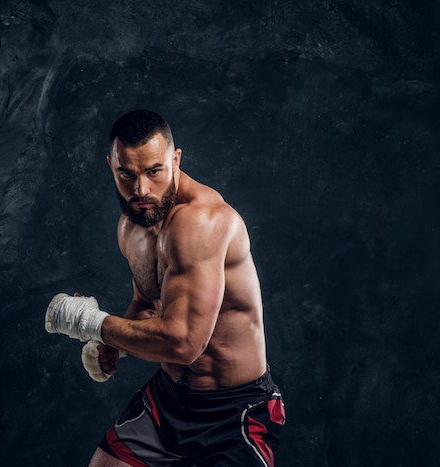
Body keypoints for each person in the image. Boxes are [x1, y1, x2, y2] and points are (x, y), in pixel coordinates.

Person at [44, 110, 285, 466]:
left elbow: (184, 342)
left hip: (232, 412)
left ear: (175, 160)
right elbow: (149, 303)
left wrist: (91, 322)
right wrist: (113, 346)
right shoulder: (133, 225)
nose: (141, 189)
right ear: (111, 165)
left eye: (154, 171)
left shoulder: (202, 222)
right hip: (167, 401)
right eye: (127, 174)